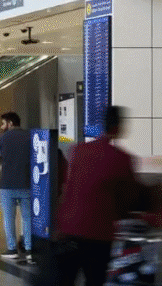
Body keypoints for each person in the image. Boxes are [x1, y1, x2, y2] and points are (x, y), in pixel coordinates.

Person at [53, 106, 149, 286]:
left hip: (69, 229)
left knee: (65, 279)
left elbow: (69, 187)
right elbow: (128, 198)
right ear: (119, 127)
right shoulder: (122, 159)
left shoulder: (79, 151)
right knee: (94, 279)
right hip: (97, 233)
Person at [0, 111, 32, 261]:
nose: (1, 126)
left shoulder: (1, 138)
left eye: (3, 123)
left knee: (9, 218)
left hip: (7, 184)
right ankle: (29, 248)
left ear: (10, 123)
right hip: (26, 183)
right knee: (27, 218)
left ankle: (12, 249)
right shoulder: (30, 136)